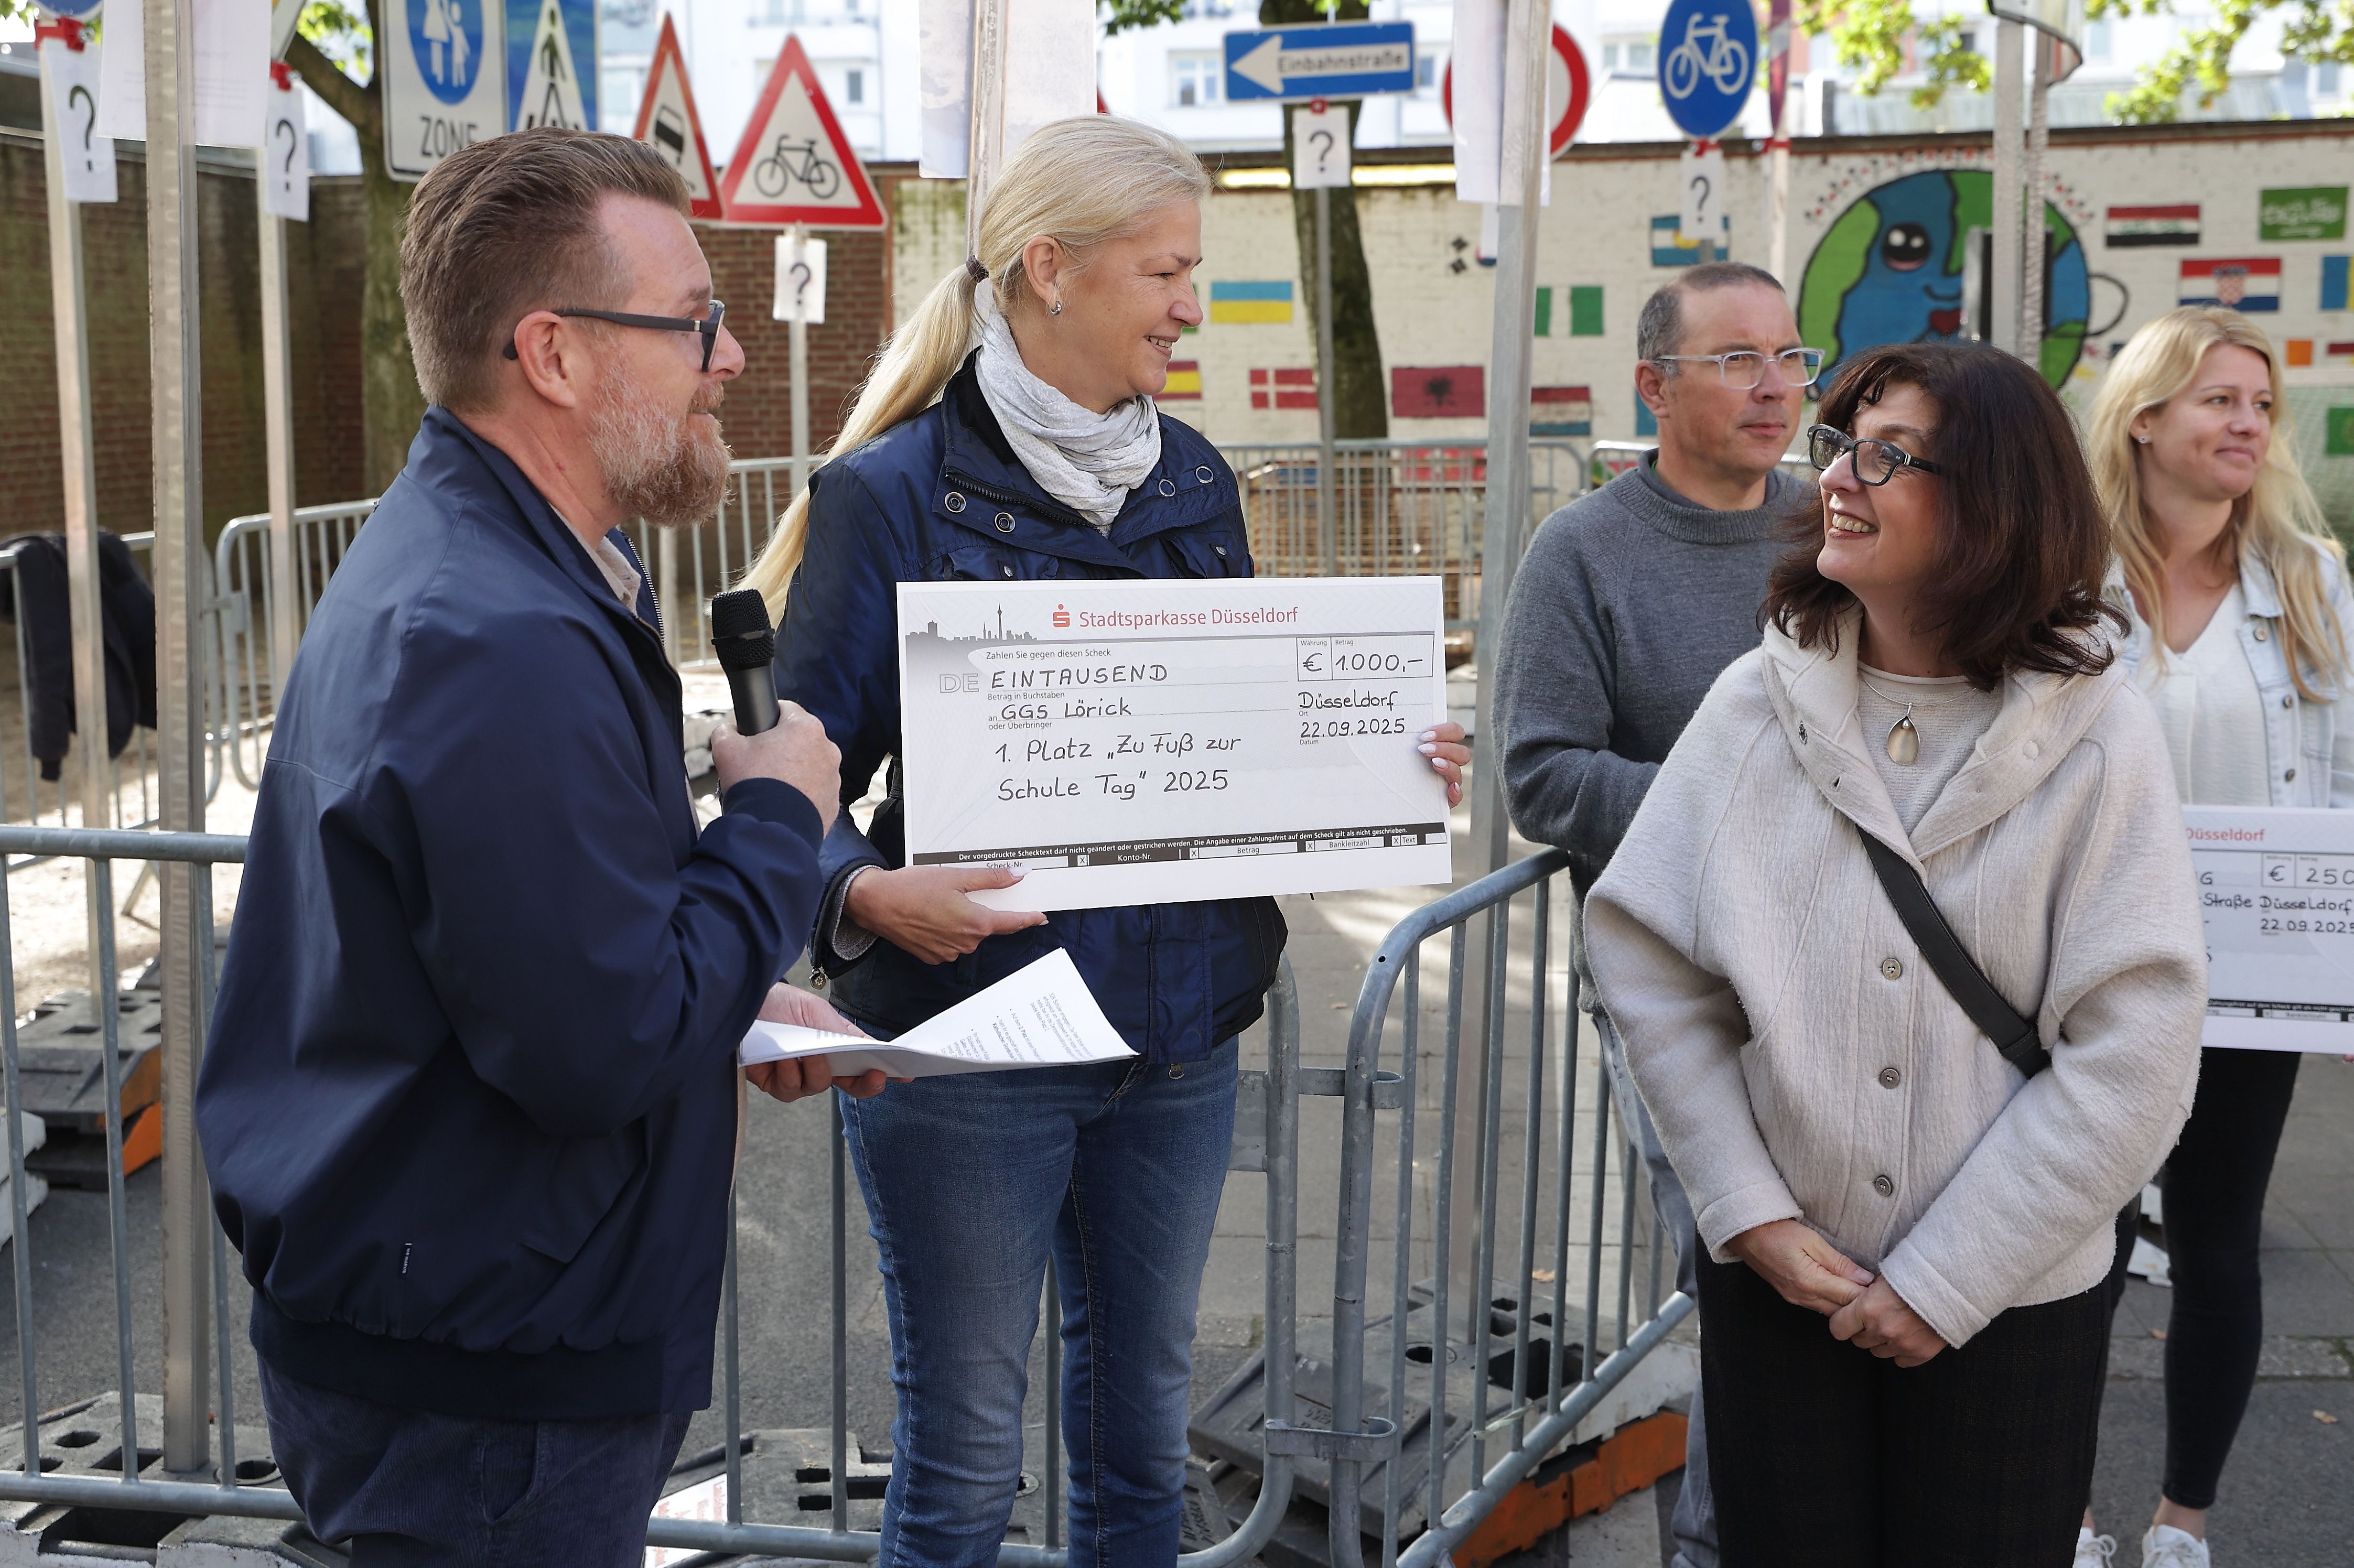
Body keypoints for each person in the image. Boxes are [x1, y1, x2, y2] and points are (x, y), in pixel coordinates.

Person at [739, 117, 1469, 1566]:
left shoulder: (1194, 479)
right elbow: (789, 786)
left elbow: (1223, 743)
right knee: (958, 1457)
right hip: (970, 1048)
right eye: (1167, 270)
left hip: (1176, 1043)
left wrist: (1376, 762)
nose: (1191, 303)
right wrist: (865, 894)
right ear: (1050, 269)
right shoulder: (885, 498)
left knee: (1141, 1443)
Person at [198, 128, 877, 1567]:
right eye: (694, 319)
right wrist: (775, 816)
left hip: (462, 1342)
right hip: (487, 1397)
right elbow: (600, 1047)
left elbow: (513, 956)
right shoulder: (493, 637)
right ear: (554, 355)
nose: (734, 356)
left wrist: (734, 999)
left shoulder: (485, 566)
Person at [1584, 342, 2208, 1567]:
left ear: (1994, 500)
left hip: (2014, 1295)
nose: (1837, 479)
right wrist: (1746, 1210)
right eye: (1838, 445)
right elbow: (1653, 967)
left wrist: (1945, 1274)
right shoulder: (1752, 706)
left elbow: (2134, 1048)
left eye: (1888, 455)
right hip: (1782, 1287)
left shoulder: (2098, 735)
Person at [1495, 259, 1818, 1568]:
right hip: (1681, 989)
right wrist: (1744, 808)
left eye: (1790, 356)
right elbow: (1541, 772)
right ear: (1654, 385)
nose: (1773, 385)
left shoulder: (1835, 521)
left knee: (1836, 1288)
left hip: (1856, 975)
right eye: (1736, 359)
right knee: (1737, 1280)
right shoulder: (1583, 550)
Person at [2074, 308, 2353, 1568]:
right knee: (2072, 1239)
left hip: (2253, 978)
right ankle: (2065, 1514)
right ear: (2144, 418)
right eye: (2218, 400)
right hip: (2081, 962)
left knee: (2218, 1235)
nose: (2248, 424)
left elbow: (2343, 778)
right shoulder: (2063, 572)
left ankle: (2183, 1518)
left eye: (2259, 405)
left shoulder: (2305, 574)